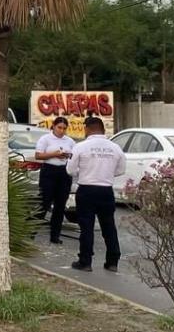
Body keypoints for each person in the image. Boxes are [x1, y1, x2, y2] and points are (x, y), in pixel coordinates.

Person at [66, 116, 125, 273]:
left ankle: (85, 262)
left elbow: (70, 170)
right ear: (103, 129)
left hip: (87, 190)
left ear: (87, 129)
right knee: (109, 227)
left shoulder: (81, 147)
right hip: (106, 190)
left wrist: (84, 172)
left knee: (87, 227)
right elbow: (121, 170)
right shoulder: (115, 147)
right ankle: (112, 261)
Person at [35, 117, 76, 244]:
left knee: (60, 205)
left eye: (64, 128)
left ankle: (55, 235)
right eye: (59, 127)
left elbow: (74, 155)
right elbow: (38, 155)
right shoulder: (45, 139)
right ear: (53, 126)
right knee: (44, 203)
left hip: (63, 172)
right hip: (49, 171)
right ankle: (30, 232)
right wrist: (54, 154)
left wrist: (67, 155)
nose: (61, 131)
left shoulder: (69, 141)